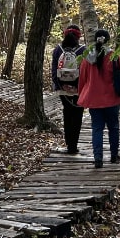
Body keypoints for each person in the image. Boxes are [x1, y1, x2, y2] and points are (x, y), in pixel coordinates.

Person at [77, 28, 120, 168]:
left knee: (97, 128)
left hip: (94, 100)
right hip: (112, 98)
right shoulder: (114, 56)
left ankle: (98, 159)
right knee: (113, 127)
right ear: (108, 40)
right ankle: (114, 156)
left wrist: (81, 94)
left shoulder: (86, 57)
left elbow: (82, 79)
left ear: (95, 39)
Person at [50, 24, 86, 154]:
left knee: (67, 113)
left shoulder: (58, 49)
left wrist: (60, 85)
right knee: (77, 115)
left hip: (62, 89)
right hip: (78, 89)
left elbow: (54, 70)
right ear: (78, 36)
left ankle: (68, 143)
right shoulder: (83, 50)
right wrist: (79, 86)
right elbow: (86, 72)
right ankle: (73, 146)